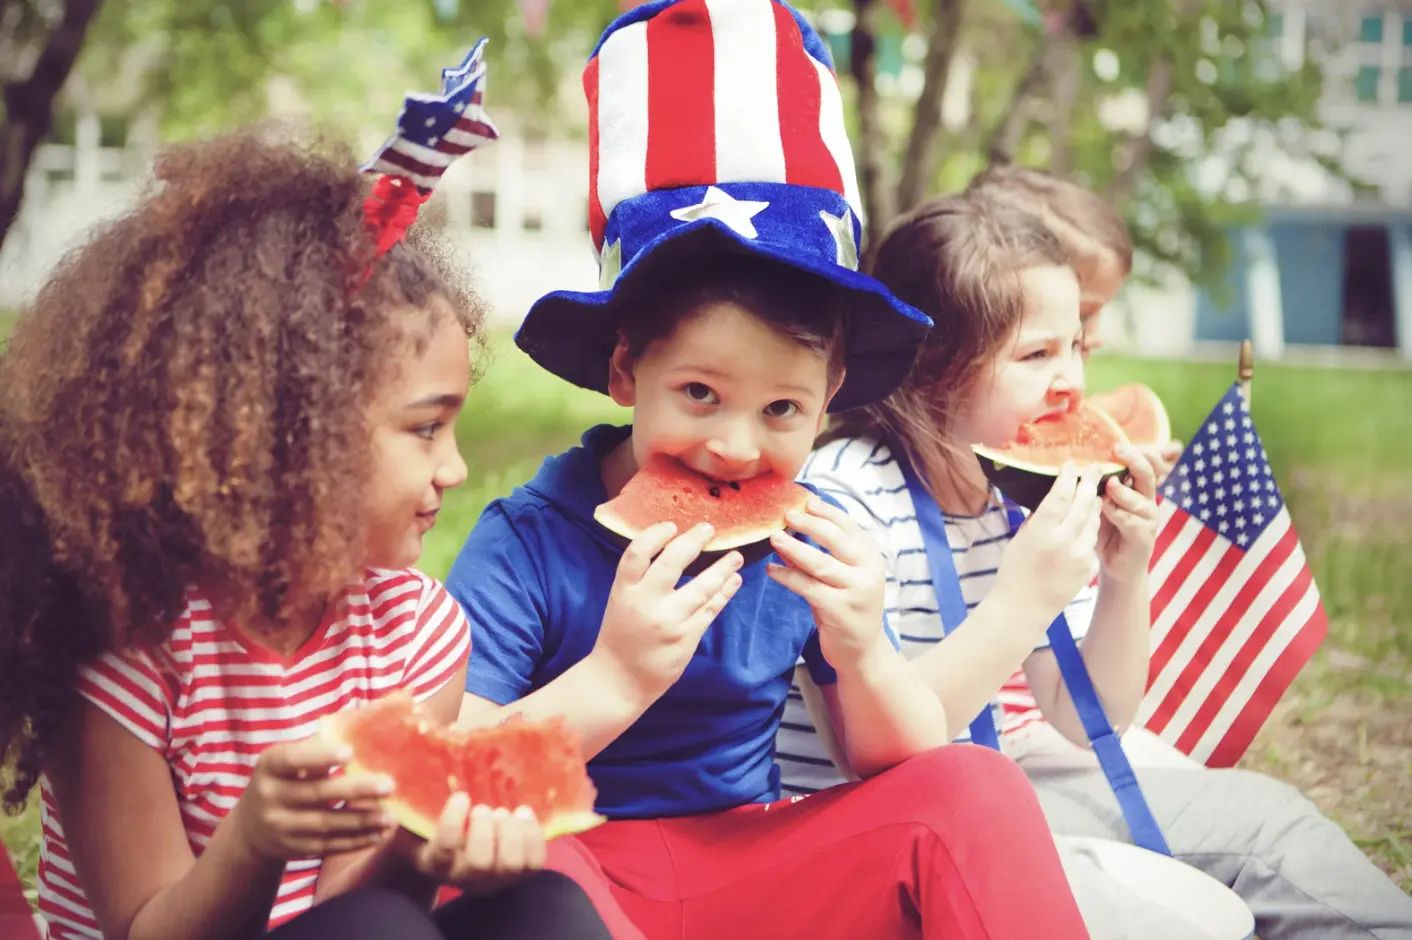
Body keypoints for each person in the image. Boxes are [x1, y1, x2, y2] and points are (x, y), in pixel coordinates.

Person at [445, 3, 1092, 938]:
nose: (738, 449)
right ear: (628, 370)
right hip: (570, 869)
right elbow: (462, 770)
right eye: (700, 393)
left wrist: (865, 647)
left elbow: (883, 757)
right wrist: (616, 676)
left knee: (969, 785)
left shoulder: (810, 530)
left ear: (829, 397)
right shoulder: (528, 538)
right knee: (522, 850)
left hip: (750, 865)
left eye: (782, 410)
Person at [0, 120, 612, 940]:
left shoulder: (418, 631)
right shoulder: (128, 650)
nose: (456, 468)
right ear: (292, 434)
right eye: (425, 429)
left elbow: (359, 903)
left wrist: (420, 843)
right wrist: (253, 840)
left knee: (548, 909)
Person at [778, 192, 1412, 940]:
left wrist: (1123, 575)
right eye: (1037, 354)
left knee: (1272, 824)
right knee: (1185, 896)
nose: (1072, 382)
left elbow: (1090, 718)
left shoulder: (1006, 497)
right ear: (933, 368)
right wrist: (1021, 601)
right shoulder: (846, 499)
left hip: (994, 789)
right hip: (872, 831)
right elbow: (871, 750)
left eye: (1076, 346)